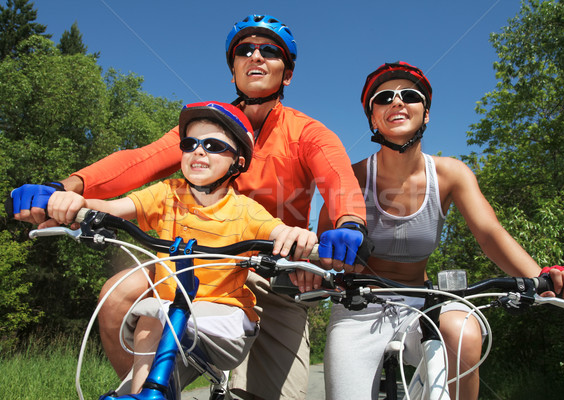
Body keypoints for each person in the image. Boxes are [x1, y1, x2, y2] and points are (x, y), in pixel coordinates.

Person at [10, 15, 368, 399]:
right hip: (194, 263)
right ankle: (152, 387)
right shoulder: (204, 132)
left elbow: (338, 181)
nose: (256, 57)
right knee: (116, 294)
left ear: (288, 74)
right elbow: (137, 162)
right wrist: (61, 190)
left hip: (273, 272)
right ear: (233, 71)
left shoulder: (308, 134)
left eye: (270, 51)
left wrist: (349, 225)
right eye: (244, 50)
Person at [314, 61, 564, 400]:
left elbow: (490, 234)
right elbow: (321, 253)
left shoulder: (451, 174)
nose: (397, 102)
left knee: (464, 329)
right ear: (373, 118)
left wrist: (543, 279)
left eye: (409, 96)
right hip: (359, 306)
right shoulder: (349, 177)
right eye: (383, 98)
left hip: (424, 303)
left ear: (425, 113)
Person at [46, 101, 318, 394]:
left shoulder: (245, 210)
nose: (199, 151)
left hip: (227, 321)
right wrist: (77, 203)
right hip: (171, 312)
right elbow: (112, 208)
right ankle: (147, 392)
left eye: (213, 145)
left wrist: (297, 236)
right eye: (190, 144)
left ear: (238, 162)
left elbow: (279, 230)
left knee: (156, 312)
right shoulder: (167, 194)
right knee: (151, 318)